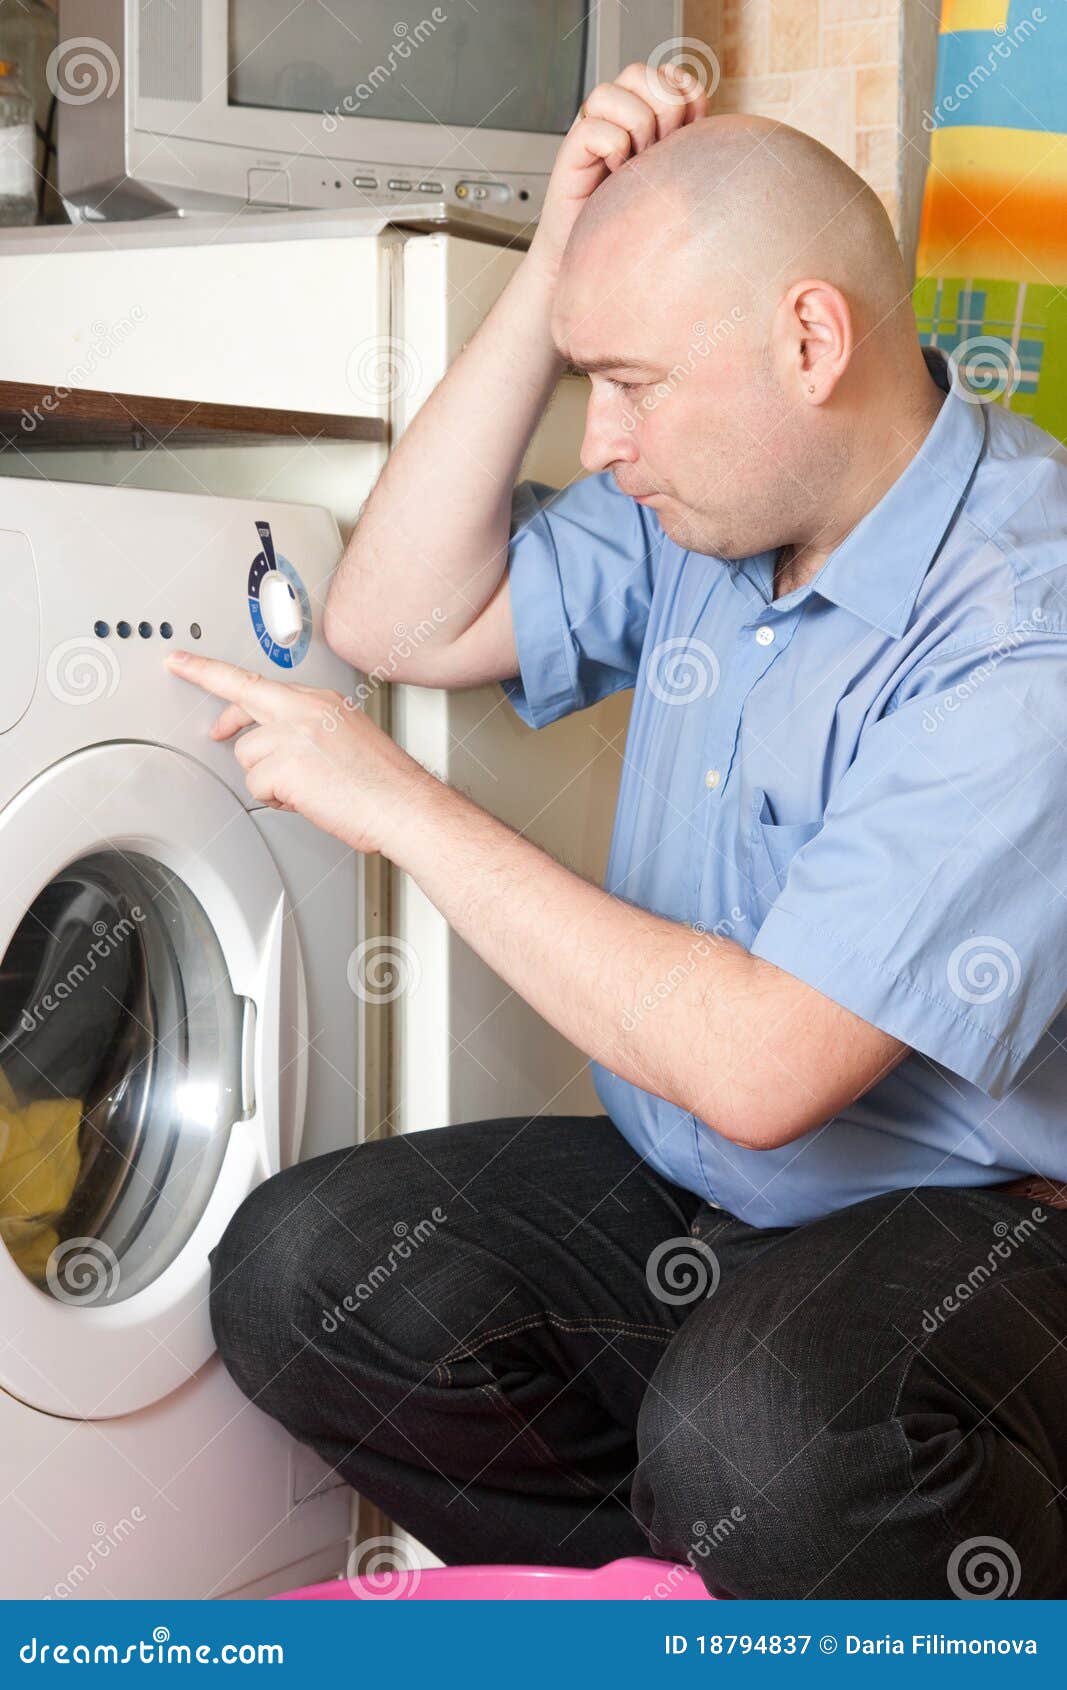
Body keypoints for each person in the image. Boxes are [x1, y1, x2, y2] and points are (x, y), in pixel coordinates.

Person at [170, 64, 1067, 1599]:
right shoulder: (713, 510)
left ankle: (838, 1543)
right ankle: (697, 1593)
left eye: (634, 385)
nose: (601, 443)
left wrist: (399, 807)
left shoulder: (1021, 624)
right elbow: (393, 615)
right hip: (706, 1203)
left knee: (766, 1427)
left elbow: (761, 1067)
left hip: (984, 1235)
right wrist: (550, 282)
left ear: (810, 341)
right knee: (298, 1273)